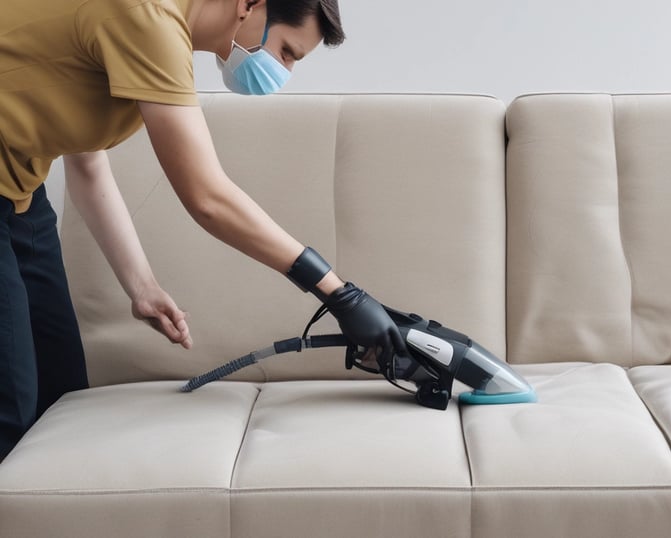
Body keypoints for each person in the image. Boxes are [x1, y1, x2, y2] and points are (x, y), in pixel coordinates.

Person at [0, 0, 406, 461]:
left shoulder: (161, 39)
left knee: (61, 393)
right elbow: (207, 197)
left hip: (20, 191)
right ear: (250, 5)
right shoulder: (148, 17)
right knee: (11, 408)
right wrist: (338, 294)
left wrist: (143, 286)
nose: (283, 70)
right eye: (288, 52)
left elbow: (88, 163)